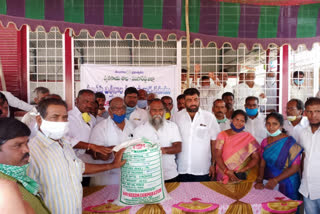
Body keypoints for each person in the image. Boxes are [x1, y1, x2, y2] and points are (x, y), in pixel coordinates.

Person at [27, 98, 126, 214]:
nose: (61, 122)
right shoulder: (31, 152)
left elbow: (80, 167)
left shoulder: (65, 144)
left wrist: (112, 165)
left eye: (64, 117)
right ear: (39, 120)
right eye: (55, 117)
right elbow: (28, 196)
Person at [0, 118, 50, 214]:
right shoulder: (3, 187)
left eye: (27, 143)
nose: (26, 150)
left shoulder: (16, 175)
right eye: (18, 145)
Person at [173, 88, 220, 182]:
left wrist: (213, 164)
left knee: (203, 196)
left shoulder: (209, 117)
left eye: (195, 99)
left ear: (199, 100)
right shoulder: (176, 117)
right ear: (184, 102)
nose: (193, 103)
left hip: (203, 169)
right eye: (189, 100)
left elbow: (215, 143)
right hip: (181, 168)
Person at [254, 112, 303, 200]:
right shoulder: (265, 142)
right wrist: (260, 178)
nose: (271, 127)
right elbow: (262, 163)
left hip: (287, 182)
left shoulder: (290, 142)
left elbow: (295, 167)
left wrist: (276, 180)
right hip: (269, 181)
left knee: (287, 209)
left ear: (281, 126)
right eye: (268, 124)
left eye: (275, 124)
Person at [89, 97, 135, 185]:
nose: (120, 111)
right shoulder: (100, 128)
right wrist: (112, 151)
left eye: (123, 108)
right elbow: (95, 153)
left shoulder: (132, 126)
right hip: (107, 177)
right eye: (116, 109)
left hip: (129, 176)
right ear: (110, 111)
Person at [134, 99, 182, 182]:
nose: (157, 113)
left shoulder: (172, 126)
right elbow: (137, 153)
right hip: (148, 177)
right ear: (149, 111)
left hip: (170, 175)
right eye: (154, 110)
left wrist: (157, 150)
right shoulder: (139, 130)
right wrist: (163, 150)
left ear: (164, 111)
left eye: (160, 110)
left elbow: (178, 148)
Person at [215, 110, 260, 183]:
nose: (239, 123)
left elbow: (256, 157)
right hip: (223, 171)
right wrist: (227, 171)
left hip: (240, 173)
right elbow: (217, 156)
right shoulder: (222, 135)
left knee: (240, 192)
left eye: (242, 121)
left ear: (245, 123)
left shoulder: (248, 137)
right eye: (237, 119)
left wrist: (245, 168)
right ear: (231, 120)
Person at [67, 89, 111, 164]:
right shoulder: (68, 117)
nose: (89, 105)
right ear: (77, 100)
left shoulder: (92, 118)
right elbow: (65, 140)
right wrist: (90, 146)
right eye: (86, 102)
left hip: (87, 162)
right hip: (70, 162)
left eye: (92, 102)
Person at [298, 97, 320, 213]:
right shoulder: (303, 133)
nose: (313, 115)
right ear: (305, 112)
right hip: (307, 189)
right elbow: (303, 158)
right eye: (310, 111)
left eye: (317, 111)